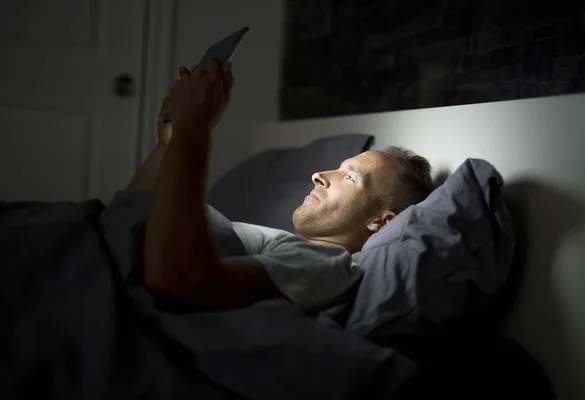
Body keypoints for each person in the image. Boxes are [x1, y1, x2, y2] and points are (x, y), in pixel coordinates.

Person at [129, 59, 434, 314]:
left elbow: (184, 283)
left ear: (380, 221)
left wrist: (193, 129)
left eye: (351, 177)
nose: (318, 175)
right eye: (339, 168)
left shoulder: (327, 264)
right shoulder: (286, 246)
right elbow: (128, 215)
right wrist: (167, 143)